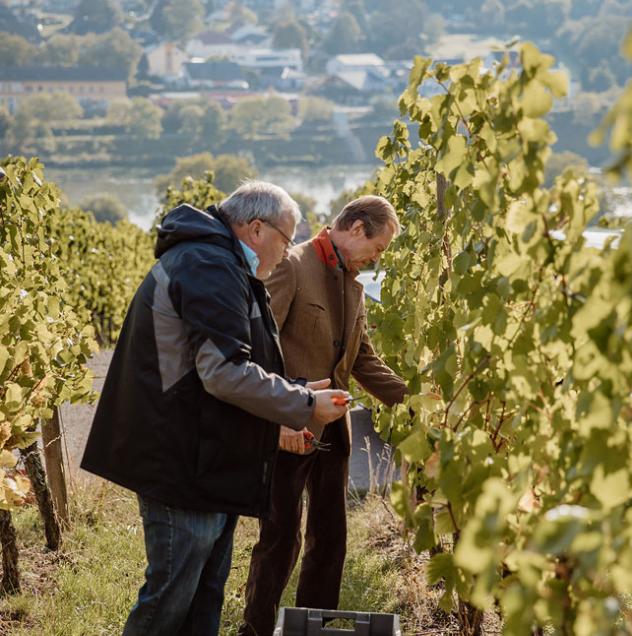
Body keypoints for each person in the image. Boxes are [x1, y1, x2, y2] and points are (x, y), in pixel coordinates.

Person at [80, 181, 350, 636]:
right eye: (286, 240)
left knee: (203, 600)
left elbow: (237, 359)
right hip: (180, 460)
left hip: (204, 459)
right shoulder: (208, 266)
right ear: (257, 229)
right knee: (170, 602)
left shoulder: (221, 264)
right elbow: (223, 373)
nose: (287, 254)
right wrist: (302, 404)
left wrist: (293, 390)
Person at [238, 196, 409, 636]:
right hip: (292, 425)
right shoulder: (293, 266)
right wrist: (282, 418)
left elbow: (363, 361)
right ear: (355, 228)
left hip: (336, 429)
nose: (378, 258)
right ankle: (255, 627)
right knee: (280, 537)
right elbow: (260, 350)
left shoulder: (353, 285)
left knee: (330, 538)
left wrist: (415, 401)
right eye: (379, 247)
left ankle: (313, 627)